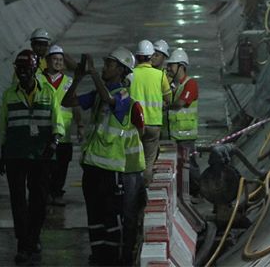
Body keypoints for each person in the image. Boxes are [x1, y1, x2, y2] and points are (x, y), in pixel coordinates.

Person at [62, 48, 144, 266]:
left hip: (111, 169)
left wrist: (93, 74)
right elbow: (67, 102)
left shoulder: (124, 95)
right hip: (92, 166)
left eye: (109, 64)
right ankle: (98, 257)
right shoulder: (98, 94)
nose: (104, 67)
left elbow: (110, 99)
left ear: (121, 70)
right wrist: (79, 77)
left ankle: (115, 259)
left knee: (112, 217)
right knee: (95, 218)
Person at [0, 49, 65, 265]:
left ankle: (32, 238)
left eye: (26, 69)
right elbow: (3, 128)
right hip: (16, 155)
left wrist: (54, 142)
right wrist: (2, 155)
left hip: (41, 156)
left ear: (35, 69)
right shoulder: (9, 94)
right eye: (19, 69)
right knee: (18, 201)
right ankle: (23, 244)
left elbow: (58, 121)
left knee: (38, 201)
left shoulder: (48, 93)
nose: (22, 73)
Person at [40, 45, 84, 206]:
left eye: (60, 60)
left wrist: (80, 126)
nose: (58, 63)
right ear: (47, 61)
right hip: (44, 131)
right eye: (55, 59)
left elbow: (76, 105)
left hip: (64, 133)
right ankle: (45, 193)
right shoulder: (39, 80)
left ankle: (57, 193)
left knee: (62, 165)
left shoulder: (68, 82)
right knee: (45, 166)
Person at [129, 40, 172, 184]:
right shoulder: (160, 75)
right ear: (150, 56)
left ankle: (133, 187)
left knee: (133, 158)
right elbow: (168, 98)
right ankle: (145, 188)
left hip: (134, 124)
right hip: (154, 124)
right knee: (148, 160)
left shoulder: (130, 75)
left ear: (137, 56)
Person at [166, 48, 201, 198]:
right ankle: (184, 193)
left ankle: (197, 191)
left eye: (171, 65)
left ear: (181, 66)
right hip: (176, 135)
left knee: (190, 165)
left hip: (186, 135)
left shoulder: (190, 84)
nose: (168, 69)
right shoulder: (175, 86)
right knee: (180, 166)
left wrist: (166, 106)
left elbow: (180, 103)